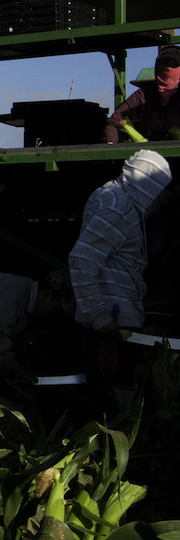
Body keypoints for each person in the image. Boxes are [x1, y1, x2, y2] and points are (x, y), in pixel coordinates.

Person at [69, 150, 172, 389]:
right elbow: (82, 259)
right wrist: (100, 317)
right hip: (111, 324)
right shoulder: (118, 207)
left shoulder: (112, 196)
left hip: (110, 320)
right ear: (148, 184)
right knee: (114, 397)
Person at [104, 45, 180, 143]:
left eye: (174, 65)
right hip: (148, 154)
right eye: (165, 64)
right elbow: (115, 121)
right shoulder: (142, 96)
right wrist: (111, 144)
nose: (169, 68)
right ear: (157, 67)